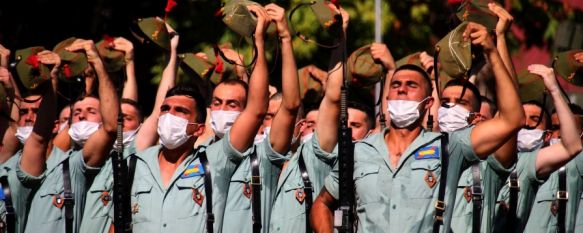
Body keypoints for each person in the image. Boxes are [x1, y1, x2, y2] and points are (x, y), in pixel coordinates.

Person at [311, 22, 525, 233]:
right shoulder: (359, 151)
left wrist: (492, 52)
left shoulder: (450, 147)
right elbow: (321, 204)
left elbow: (512, 119)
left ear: (429, 103)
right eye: (396, 85)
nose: (402, 90)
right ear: (387, 97)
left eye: (411, 85)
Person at [128, 4, 270, 232]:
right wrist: (171, 52)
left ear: (197, 128)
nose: (168, 116)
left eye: (180, 112)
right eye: (165, 109)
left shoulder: (214, 161)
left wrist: (259, 43)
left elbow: (255, 110)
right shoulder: (136, 164)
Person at [23, 38, 120, 233]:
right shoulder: (25, 162)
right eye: (76, 113)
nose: (82, 116)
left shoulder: (73, 165)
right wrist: (51, 77)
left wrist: (97, 64)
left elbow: (110, 128)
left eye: (91, 112)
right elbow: (39, 136)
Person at [269, 5, 347, 233]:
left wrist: (341, 36)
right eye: (268, 117)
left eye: (281, 117)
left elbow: (333, 97)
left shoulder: (313, 156)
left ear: (301, 126)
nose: (273, 124)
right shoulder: (255, 161)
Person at [222, 4, 300, 233]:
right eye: (216, 104)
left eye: (232, 105)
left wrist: (282, 37)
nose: (222, 111)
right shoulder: (202, 150)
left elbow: (290, 105)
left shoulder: (263, 157)